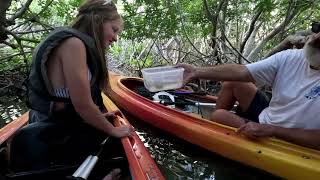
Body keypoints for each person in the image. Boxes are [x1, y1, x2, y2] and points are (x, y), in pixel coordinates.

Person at [10, 0, 134, 172]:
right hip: (50, 133)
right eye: (114, 29)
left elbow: (78, 105)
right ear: (97, 21)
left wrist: (99, 116)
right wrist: (113, 131)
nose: (115, 37)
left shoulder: (76, 43)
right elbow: (82, 104)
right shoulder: (73, 44)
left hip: (59, 124)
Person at [177, 31, 320, 150]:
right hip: (270, 117)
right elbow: (242, 72)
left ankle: (228, 129)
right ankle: (217, 133)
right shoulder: (291, 57)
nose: (317, 36)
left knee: (219, 116)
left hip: (293, 137)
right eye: (318, 28)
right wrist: (195, 72)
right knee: (234, 82)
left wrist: (273, 130)